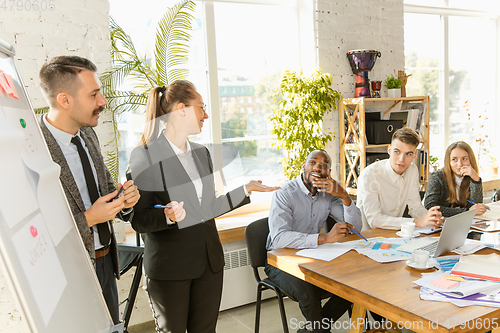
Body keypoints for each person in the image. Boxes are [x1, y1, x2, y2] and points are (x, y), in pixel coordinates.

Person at [126, 80, 279, 333]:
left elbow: (207, 208)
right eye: (201, 108)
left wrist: (245, 190)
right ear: (181, 109)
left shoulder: (201, 154)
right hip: (170, 268)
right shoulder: (145, 156)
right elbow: (138, 219)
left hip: (208, 263)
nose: (206, 115)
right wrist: (167, 217)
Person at [38, 56, 141, 324]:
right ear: (65, 100)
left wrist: (125, 201)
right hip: (68, 273)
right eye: (94, 94)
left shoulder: (87, 134)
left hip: (106, 262)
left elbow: (106, 187)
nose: (103, 101)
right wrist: (89, 219)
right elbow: (35, 229)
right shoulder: (34, 148)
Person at [266, 149, 362, 333]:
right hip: (280, 261)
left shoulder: (328, 194)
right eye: (313, 162)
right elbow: (278, 238)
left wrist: (344, 196)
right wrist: (324, 238)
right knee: (307, 290)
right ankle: (319, 330)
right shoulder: (284, 194)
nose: (318, 167)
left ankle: (313, 329)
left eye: (324, 165)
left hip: (314, 257)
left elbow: (356, 230)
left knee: (353, 283)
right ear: (304, 166)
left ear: (329, 173)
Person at [357, 127, 444, 230]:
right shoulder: (369, 174)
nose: (401, 159)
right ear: (389, 150)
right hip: (368, 238)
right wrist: (415, 222)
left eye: (408, 154)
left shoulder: (412, 170)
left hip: (395, 235)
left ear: (415, 155)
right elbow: (375, 220)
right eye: (397, 152)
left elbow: (415, 207)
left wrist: (430, 218)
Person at [424, 141, 487, 217]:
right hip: (438, 222)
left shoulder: (471, 176)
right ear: (448, 161)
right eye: (454, 159)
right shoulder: (437, 177)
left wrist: (476, 179)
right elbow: (430, 206)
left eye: (464, 159)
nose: (460, 164)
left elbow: (475, 206)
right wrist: (467, 211)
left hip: (462, 221)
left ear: (471, 160)